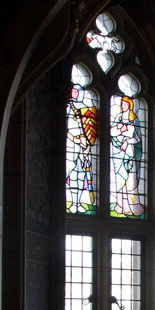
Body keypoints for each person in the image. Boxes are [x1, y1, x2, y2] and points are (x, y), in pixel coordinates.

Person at [66, 84, 98, 213]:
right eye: (72, 91)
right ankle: (73, 203)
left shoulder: (86, 109)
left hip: (84, 148)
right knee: (73, 175)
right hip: (72, 146)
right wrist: (75, 140)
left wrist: (88, 147)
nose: (74, 93)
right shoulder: (68, 108)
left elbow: (90, 131)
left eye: (76, 91)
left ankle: (78, 203)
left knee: (81, 176)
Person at [110, 95, 144, 216]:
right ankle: (120, 206)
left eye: (125, 104)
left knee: (130, 180)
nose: (123, 106)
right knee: (120, 179)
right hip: (118, 153)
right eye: (122, 104)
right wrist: (120, 130)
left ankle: (132, 206)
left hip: (130, 153)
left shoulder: (134, 119)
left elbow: (137, 139)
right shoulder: (118, 117)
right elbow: (111, 132)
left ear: (130, 105)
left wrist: (127, 142)